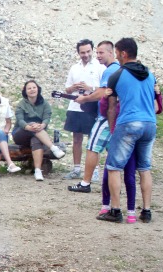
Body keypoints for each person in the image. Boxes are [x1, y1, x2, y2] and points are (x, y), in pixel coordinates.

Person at [98, 38, 157, 223]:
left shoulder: (117, 75)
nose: (116, 56)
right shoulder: (150, 74)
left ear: (123, 53)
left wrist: (112, 128)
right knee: (144, 168)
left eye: (116, 52)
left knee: (114, 167)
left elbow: (112, 107)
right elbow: (155, 102)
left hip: (129, 123)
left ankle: (115, 211)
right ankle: (146, 211)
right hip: (149, 124)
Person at [68, 41, 120, 193]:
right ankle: (114, 184)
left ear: (111, 52)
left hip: (105, 116)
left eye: (100, 53)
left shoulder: (109, 70)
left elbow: (102, 92)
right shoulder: (117, 69)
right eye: (97, 53)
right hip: (114, 116)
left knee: (92, 147)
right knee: (112, 150)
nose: (97, 56)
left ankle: (85, 183)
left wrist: (84, 99)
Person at [63, 39, 105, 180]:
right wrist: (73, 87)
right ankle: (76, 168)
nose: (85, 54)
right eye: (82, 52)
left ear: (92, 50)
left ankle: (94, 170)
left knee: (92, 139)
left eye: (88, 51)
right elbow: (67, 89)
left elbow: (103, 89)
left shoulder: (100, 67)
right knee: (76, 139)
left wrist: (90, 88)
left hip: (91, 108)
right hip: (75, 106)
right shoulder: (74, 68)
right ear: (78, 53)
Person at [13, 80, 65, 181]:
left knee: (36, 140)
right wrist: (30, 127)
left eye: (34, 87)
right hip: (20, 133)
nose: (32, 90)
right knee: (33, 125)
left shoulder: (44, 104)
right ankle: (53, 148)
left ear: (38, 89)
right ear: (25, 91)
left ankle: (37, 171)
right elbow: (20, 121)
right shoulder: (21, 104)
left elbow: (47, 117)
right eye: (29, 88)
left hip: (37, 133)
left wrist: (43, 125)